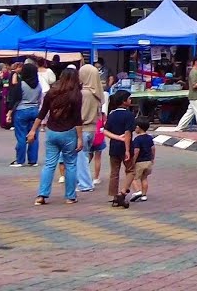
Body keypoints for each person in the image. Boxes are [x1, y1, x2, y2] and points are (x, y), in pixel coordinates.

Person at [31, 68, 84, 206]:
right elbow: (78, 118)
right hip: (69, 132)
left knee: (49, 164)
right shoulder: (76, 95)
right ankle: (70, 196)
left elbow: (42, 113)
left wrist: (33, 130)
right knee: (71, 164)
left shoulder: (52, 92)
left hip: (52, 131)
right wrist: (80, 138)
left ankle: (42, 195)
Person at [103, 90, 136, 207]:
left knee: (114, 172)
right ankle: (122, 192)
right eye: (129, 98)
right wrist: (127, 149)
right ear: (124, 101)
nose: (130, 100)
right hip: (125, 147)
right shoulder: (129, 115)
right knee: (131, 170)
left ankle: (113, 195)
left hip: (114, 147)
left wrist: (116, 137)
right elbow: (128, 133)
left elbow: (105, 131)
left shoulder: (112, 114)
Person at [76, 65, 105, 194]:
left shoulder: (84, 94)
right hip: (93, 128)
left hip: (83, 128)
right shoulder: (97, 93)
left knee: (81, 157)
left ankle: (84, 183)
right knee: (85, 156)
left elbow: (80, 115)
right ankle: (83, 181)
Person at [7, 62, 43, 167]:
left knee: (21, 136)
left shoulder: (21, 84)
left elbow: (14, 99)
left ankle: (20, 160)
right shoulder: (39, 85)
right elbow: (40, 99)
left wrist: (10, 112)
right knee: (33, 135)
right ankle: (33, 160)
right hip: (35, 110)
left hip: (21, 110)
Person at [121, 118, 156, 203]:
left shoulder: (137, 139)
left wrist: (133, 161)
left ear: (138, 127)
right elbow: (153, 148)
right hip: (148, 161)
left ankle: (137, 191)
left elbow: (136, 151)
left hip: (140, 162)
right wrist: (152, 158)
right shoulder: (149, 138)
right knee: (144, 178)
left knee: (132, 177)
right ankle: (144, 195)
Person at [176, 58, 197, 133]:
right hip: (196, 96)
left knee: (189, 113)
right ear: (196, 62)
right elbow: (194, 85)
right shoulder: (193, 72)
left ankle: (179, 127)